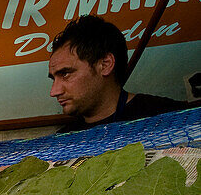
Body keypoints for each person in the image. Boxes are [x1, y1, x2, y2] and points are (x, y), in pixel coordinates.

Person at [50, 15, 188, 132]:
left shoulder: (172, 117)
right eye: (53, 78)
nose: (54, 91)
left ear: (105, 65)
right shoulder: (64, 139)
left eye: (65, 74)